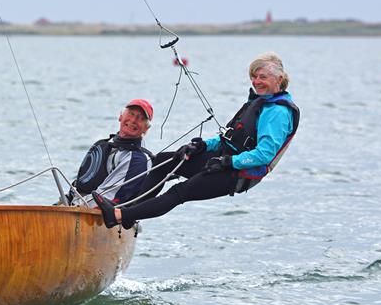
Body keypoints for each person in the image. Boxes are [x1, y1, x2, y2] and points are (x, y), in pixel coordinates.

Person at [96, 52, 299, 229]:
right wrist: (202, 146)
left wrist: (227, 162)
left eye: (262, 77)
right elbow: (228, 138)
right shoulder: (259, 102)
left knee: (179, 192)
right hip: (223, 159)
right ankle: (131, 211)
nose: (256, 81)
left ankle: (117, 216)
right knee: (164, 161)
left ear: (279, 79)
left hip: (238, 173)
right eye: (254, 76)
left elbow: (264, 155)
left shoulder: (278, 112)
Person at [69, 99, 155, 229]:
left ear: (146, 129)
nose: (133, 120)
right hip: (75, 207)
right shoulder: (104, 144)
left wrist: (70, 210)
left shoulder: (137, 161)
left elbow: (106, 200)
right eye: (131, 114)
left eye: (141, 118)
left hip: (96, 218)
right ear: (121, 116)